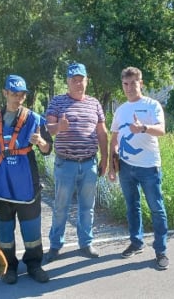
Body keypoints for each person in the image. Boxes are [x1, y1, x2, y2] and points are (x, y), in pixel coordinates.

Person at [0, 74, 53, 284]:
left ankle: (33, 264)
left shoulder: (35, 119)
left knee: (31, 230)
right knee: (5, 230)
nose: (18, 98)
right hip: (0, 185)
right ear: (5, 93)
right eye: (14, 93)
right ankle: (9, 266)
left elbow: (48, 149)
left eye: (22, 94)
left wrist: (41, 142)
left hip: (26, 185)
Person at [45, 62, 108, 262]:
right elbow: (47, 128)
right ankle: (55, 245)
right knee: (61, 206)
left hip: (89, 163)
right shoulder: (57, 102)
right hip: (66, 164)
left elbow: (101, 132)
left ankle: (86, 243)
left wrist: (105, 158)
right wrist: (59, 127)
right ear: (67, 82)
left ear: (87, 81)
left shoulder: (95, 103)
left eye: (81, 80)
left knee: (87, 207)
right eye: (74, 80)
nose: (78, 83)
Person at [108, 66, 169, 270]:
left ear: (140, 83)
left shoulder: (152, 105)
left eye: (133, 83)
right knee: (132, 206)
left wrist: (143, 127)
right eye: (125, 84)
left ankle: (160, 250)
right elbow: (114, 137)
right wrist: (112, 162)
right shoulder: (121, 109)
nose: (129, 88)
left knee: (156, 209)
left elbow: (161, 130)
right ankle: (136, 242)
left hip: (149, 167)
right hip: (126, 168)